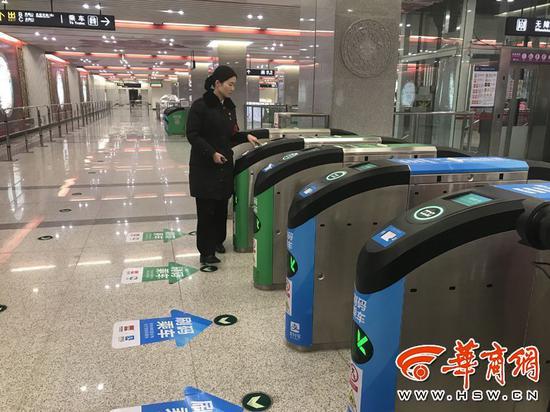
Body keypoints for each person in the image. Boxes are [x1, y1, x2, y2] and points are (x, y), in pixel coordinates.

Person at [186, 65, 259, 265]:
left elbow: (231, 135)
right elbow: (192, 135)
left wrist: (246, 136)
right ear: (217, 84)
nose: (233, 89)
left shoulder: (229, 107)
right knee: (206, 210)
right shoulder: (200, 106)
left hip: (224, 165)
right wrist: (211, 153)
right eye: (230, 84)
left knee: (220, 207)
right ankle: (206, 252)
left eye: (234, 85)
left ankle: (218, 241)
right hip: (205, 167)